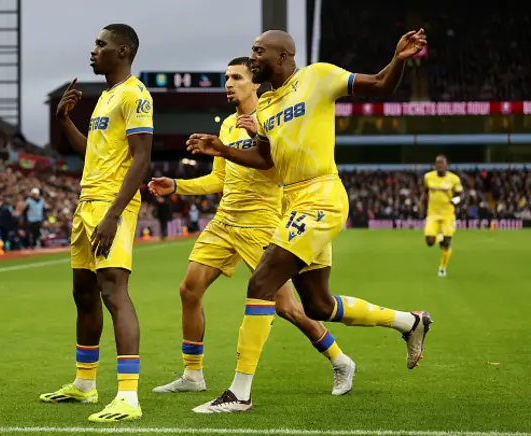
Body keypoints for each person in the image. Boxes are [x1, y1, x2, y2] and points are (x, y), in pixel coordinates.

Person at [186, 29, 432, 413]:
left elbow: (380, 86)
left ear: (283, 56)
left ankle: (239, 393)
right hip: (292, 200)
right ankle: (410, 321)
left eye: (258, 52)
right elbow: (266, 161)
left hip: (321, 194)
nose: (251, 58)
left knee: (262, 281)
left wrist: (398, 60)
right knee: (317, 304)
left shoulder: (317, 77)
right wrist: (224, 149)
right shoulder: (265, 107)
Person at [149, 57, 355, 398]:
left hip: (262, 224)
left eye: (237, 77)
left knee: (287, 307)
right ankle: (192, 374)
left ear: (255, 82)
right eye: (226, 77)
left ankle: (340, 359)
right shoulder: (228, 124)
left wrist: (258, 135)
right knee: (189, 290)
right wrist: (177, 185)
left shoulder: (274, 116)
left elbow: (280, 170)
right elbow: (218, 178)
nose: (229, 83)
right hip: (225, 221)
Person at [39, 23, 153, 423]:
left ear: (122, 51)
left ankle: (128, 396)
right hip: (86, 203)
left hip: (110, 206)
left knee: (114, 292)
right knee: (83, 293)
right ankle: (85, 385)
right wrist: (65, 120)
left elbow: (141, 159)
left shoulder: (135, 94)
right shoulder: (106, 97)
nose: (93, 50)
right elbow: (92, 153)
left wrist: (113, 214)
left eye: (101, 45)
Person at [420, 155, 463, 277]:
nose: (439, 165)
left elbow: (461, 194)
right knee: (429, 241)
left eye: (441, 163)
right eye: (437, 163)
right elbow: (425, 191)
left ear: (446, 165)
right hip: (432, 213)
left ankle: (443, 268)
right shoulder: (428, 177)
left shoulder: (454, 179)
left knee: (446, 243)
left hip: (447, 214)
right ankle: (439, 236)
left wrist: (455, 200)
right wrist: (420, 204)